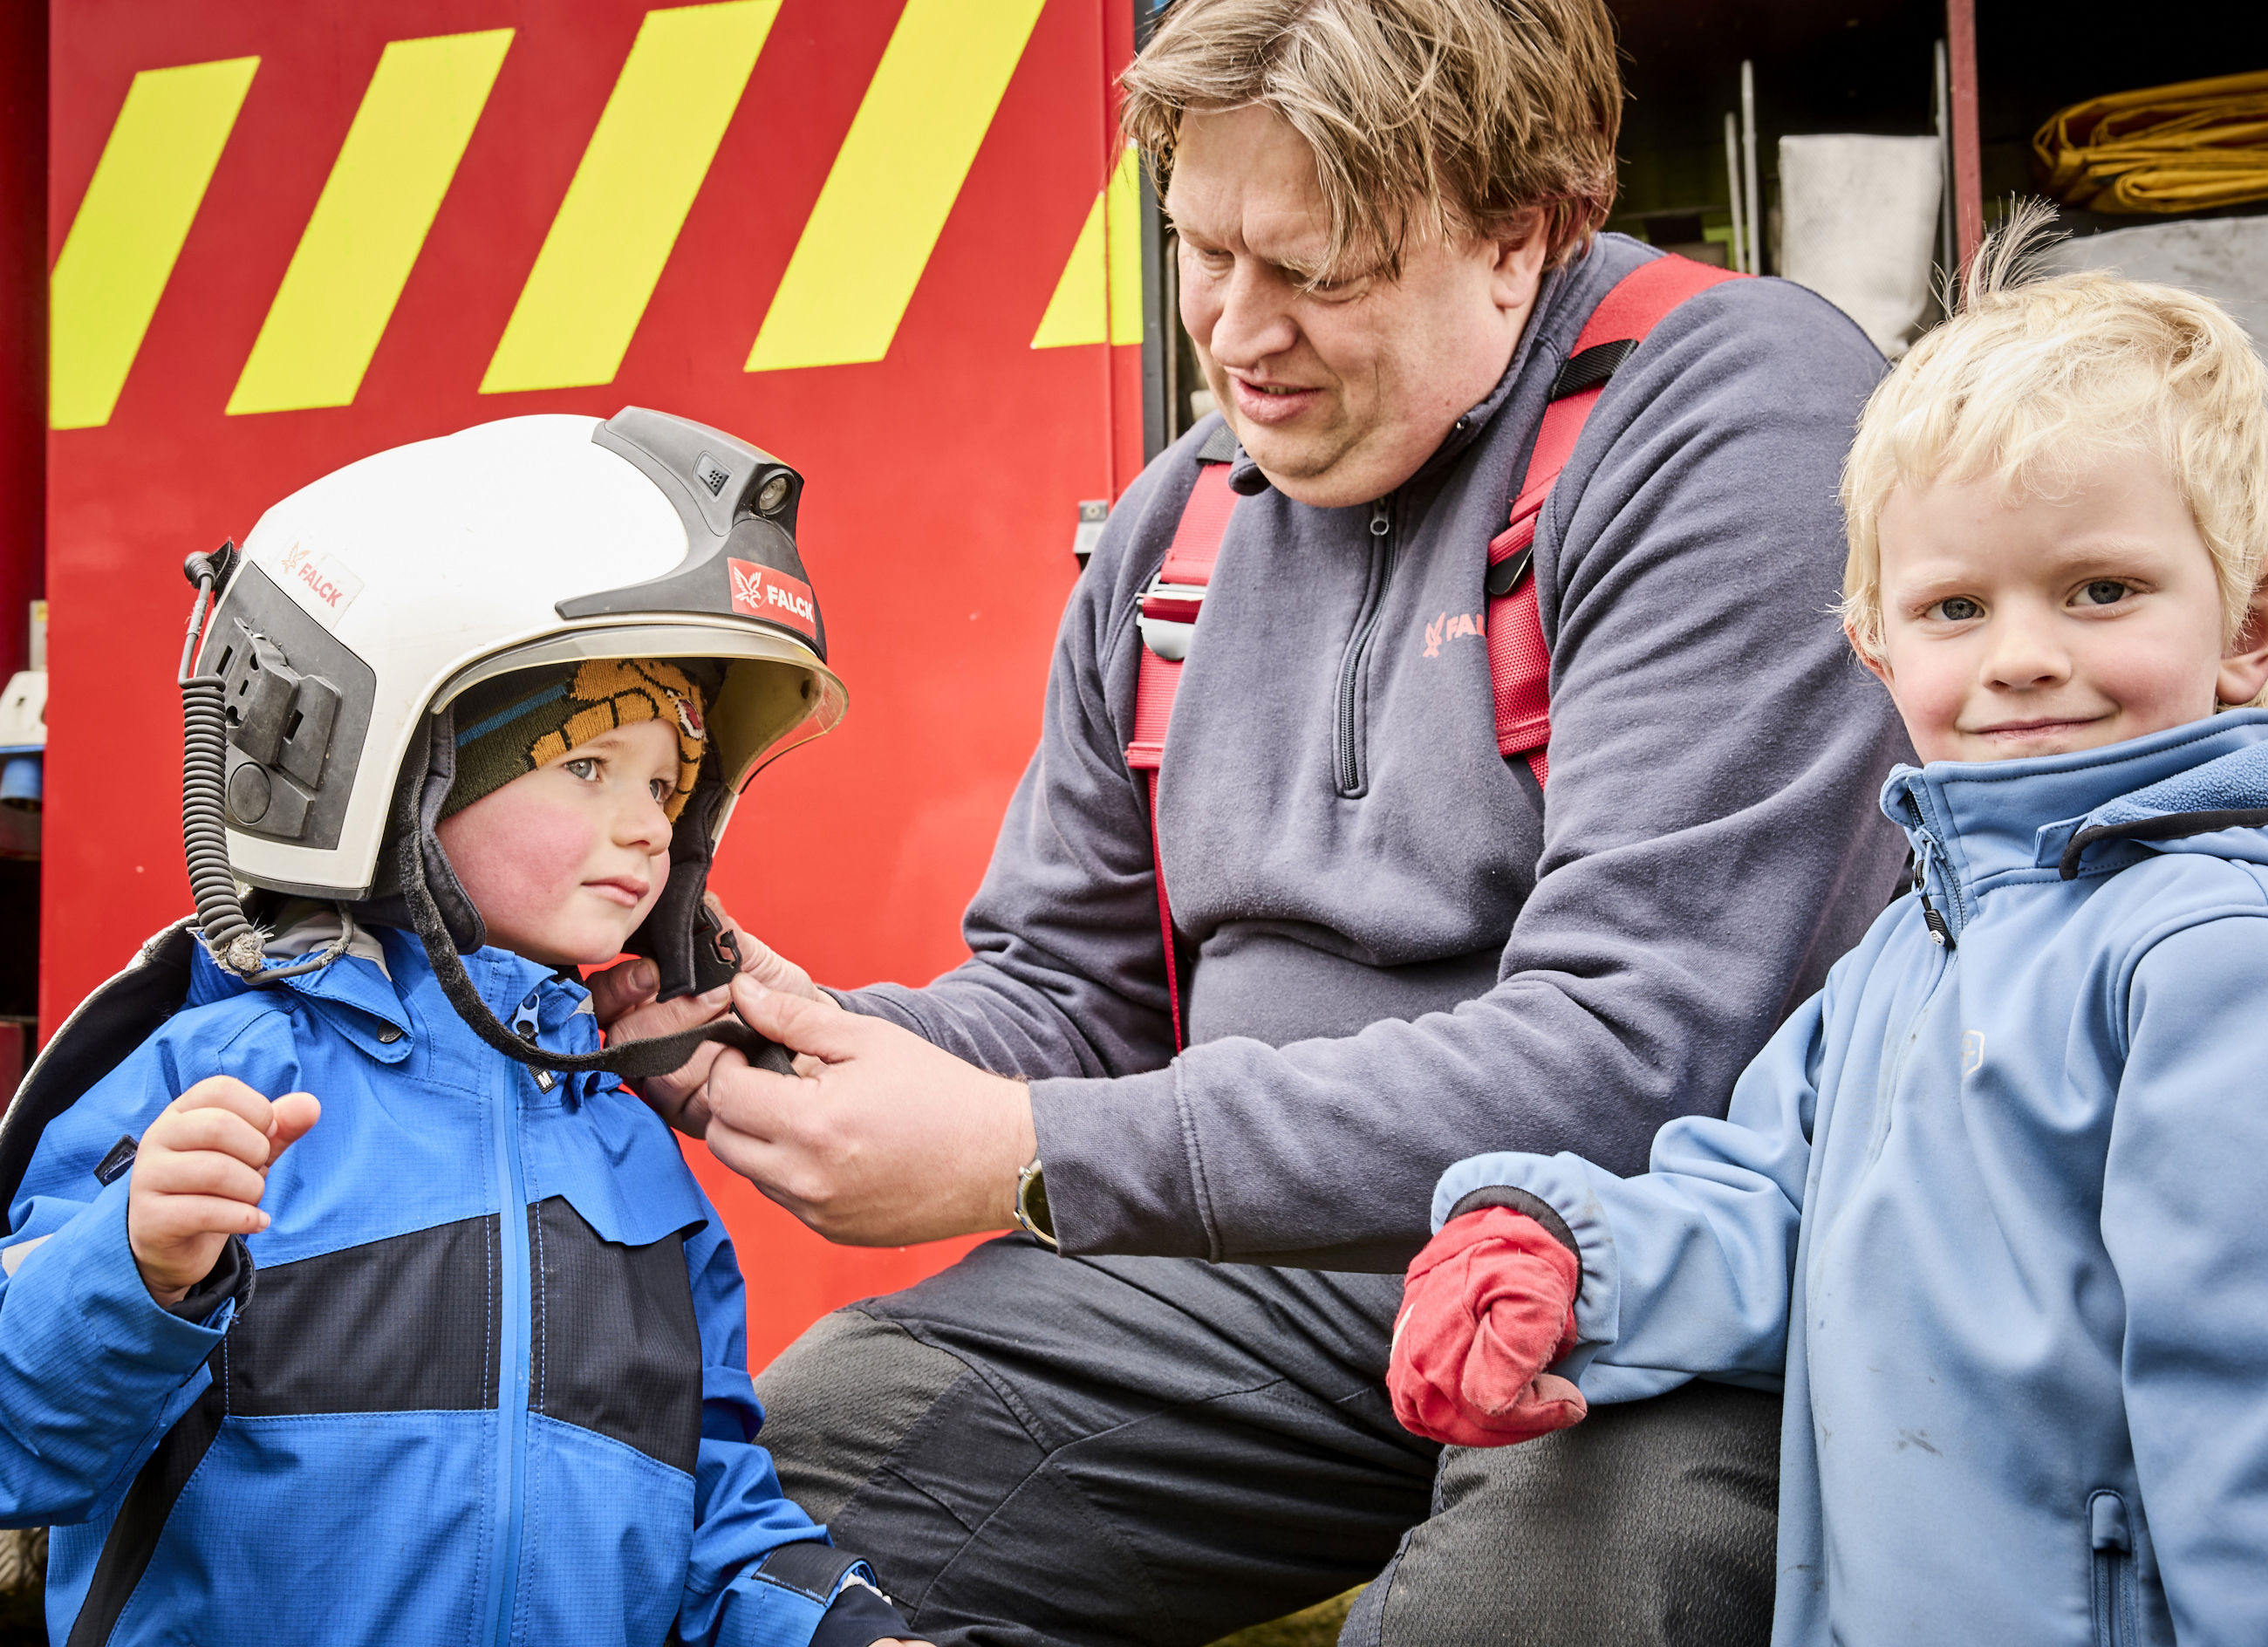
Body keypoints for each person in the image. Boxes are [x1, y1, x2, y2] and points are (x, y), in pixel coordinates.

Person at [597, 1, 1909, 1639]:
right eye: (1201, 249)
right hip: (1268, 1301)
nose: (1237, 330)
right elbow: (1073, 1002)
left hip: (1654, 1290)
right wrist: (772, 1040)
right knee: (728, 1533)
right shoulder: (1178, 532)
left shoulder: (1731, 421)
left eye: (1318, 271)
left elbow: (1638, 1054)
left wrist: (1024, 1157)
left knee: (1516, 1609)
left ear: (1518, 238)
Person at [1389, 229, 2268, 1644]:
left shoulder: (2208, 960)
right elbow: (1772, 1210)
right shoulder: (1906, 953)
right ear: (1876, 645)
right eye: (1956, 607)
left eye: (2100, 590)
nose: (2025, 653)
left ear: (2249, 626)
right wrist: (1564, 1254)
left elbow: (2244, 1404)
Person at [0, 413, 922, 1647]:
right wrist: (134, 1269)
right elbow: (18, 1443)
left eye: (665, 785)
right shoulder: (207, 1078)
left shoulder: (631, 1157)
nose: (650, 826)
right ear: (396, 771)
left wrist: (830, 1631)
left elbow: (709, 1522)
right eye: (589, 765)